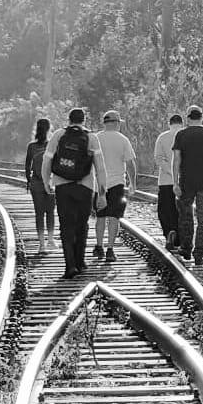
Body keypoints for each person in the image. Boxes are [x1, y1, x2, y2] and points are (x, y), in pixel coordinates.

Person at [41, 108, 107, 279]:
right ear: (84, 120)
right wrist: (102, 193)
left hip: (63, 186)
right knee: (81, 224)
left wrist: (46, 181)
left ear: (69, 120)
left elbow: (47, 159)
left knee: (66, 226)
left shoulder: (58, 135)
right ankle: (80, 262)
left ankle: (70, 266)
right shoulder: (92, 137)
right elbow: (100, 168)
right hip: (85, 187)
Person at [172, 105, 203, 266]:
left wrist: (175, 182)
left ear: (188, 118)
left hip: (186, 181)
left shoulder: (181, 135)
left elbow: (176, 159)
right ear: (201, 117)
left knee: (185, 216)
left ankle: (186, 248)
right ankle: (199, 252)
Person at [93, 110, 137, 262]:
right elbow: (130, 164)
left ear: (104, 123)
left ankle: (99, 246)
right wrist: (133, 183)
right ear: (117, 123)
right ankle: (110, 249)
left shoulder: (96, 138)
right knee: (114, 218)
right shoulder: (123, 140)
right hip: (117, 183)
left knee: (100, 217)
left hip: (98, 184)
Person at [24, 118, 57, 254]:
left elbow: (27, 166)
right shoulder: (52, 145)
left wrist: (28, 180)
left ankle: (41, 245)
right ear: (49, 129)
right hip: (50, 182)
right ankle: (51, 240)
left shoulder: (32, 146)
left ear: (36, 129)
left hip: (36, 183)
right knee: (50, 212)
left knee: (39, 213)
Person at [154, 114, 183, 250]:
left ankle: (169, 232)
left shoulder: (162, 137)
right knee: (182, 210)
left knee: (165, 209)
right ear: (182, 123)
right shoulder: (185, 135)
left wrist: (171, 171)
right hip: (183, 181)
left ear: (169, 123)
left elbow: (159, 158)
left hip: (166, 181)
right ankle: (180, 238)